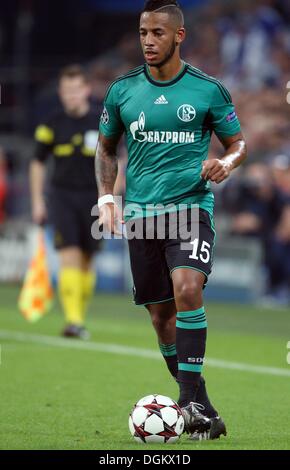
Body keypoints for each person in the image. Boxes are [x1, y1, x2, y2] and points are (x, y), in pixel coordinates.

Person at [96, 0, 247, 440]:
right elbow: (105, 148)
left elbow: (238, 143)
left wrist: (227, 163)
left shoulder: (208, 90)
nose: (148, 40)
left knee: (187, 289)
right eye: (143, 32)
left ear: (179, 35)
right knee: (161, 316)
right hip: (142, 215)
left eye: (158, 33)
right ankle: (203, 407)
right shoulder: (122, 91)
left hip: (190, 208)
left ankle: (186, 404)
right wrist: (107, 197)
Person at [30, 64, 100, 339]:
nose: (71, 96)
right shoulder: (50, 125)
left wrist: (112, 197)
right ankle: (73, 320)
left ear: (86, 90)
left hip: (94, 198)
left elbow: (116, 160)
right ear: (60, 93)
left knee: (87, 258)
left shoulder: (101, 122)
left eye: (76, 90)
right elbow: (37, 163)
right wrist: (38, 201)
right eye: (66, 91)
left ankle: (79, 317)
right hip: (61, 196)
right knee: (68, 252)